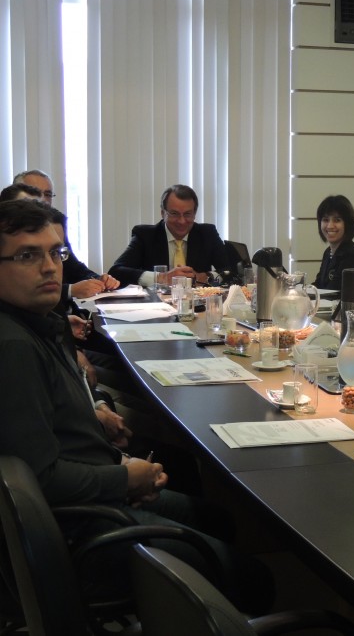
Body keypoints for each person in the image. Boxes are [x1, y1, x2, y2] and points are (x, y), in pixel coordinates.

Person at [0, 198, 271, 613]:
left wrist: (101, 425)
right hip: (81, 530)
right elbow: (40, 479)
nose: (50, 267)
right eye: (27, 256)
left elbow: (53, 420)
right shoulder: (14, 348)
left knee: (218, 519)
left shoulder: (35, 325)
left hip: (93, 491)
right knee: (252, 576)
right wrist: (124, 479)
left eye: (55, 253)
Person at [7, 173, 119, 298]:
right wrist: (70, 290)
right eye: (34, 193)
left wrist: (99, 280)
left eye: (47, 194)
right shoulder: (8, 235)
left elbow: (74, 268)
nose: (42, 199)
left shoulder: (56, 226)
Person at [109, 184, 233, 286]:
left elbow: (230, 270)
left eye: (187, 214)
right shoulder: (145, 235)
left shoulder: (207, 233)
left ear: (194, 214)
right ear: (163, 213)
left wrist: (204, 277)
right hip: (156, 305)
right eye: (174, 213)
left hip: (198, 304)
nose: (181, 221)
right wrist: (161, 278)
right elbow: (116, 271)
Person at [313, 194, 354, 291]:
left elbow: (336, 292)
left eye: (337, 220)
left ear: (347, 224)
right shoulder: (328, 252)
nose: (330, 226)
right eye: (325, 220)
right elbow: (319, 285)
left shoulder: (351, 255)